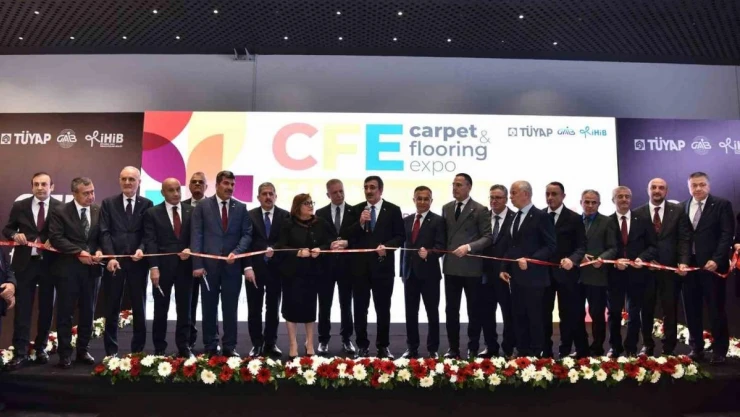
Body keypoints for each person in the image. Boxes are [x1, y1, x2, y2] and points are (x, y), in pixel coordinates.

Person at [2, 172, 61, 369]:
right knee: (22, 310)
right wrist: (15, 235)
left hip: (50, 265)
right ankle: (20, 353)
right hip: (25, 265)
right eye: (36, 184)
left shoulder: (60, 207)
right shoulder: (20, 206)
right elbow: (7, 229)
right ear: (32, 186)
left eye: (44, 184)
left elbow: (66, 233)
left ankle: (41, 348)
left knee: (46, 308)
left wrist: (56, 240)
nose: (40, 187)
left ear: (52, 187)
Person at [190, 170, 252, 357]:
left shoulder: (241, 208)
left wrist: (237, 252)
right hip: (208, 267)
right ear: (217, 185)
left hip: (232, 267)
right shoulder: (202, 206)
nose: (230, 187)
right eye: (226, 183)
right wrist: (197, 264)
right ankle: (210, 344)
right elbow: (196, 235)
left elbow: (247, 234)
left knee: (230, 308)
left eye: (232, 184)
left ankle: (230, 346)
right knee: (209, 307)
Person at [48, 177, 104, 369]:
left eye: (92, 192)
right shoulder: (60, 211)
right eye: (86, 193)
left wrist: (100, 251)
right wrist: (78, 252)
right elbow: (56, 238)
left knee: (88, 312)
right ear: (74, 194)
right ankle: (65, 354)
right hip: (68, 270)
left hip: (92, 271)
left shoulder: (98, 210)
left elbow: (103, 236)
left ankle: (83, 350)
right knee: (65, 313)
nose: (91, 196)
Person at [348, 176, 405, 358]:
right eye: (366, 187)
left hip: (383, 268)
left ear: (380, 190)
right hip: (360, 269)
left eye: (372, 187)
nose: (368, 191)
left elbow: (400, 236)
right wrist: (360, 223)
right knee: (360, 308)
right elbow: (348, 236)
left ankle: (383, 346)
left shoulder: (393, 210)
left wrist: (387, 247)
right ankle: (362, 345)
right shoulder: (356, 209)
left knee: (383, 308)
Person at [271, 193, 334, 359]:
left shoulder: (320, 223)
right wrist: (297, 252)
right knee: (291, 308)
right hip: (292, 273)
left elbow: (330, 242)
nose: (311, 205)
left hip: (312, 272)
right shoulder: (288, 223)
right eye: (306, 203)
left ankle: (309, 342)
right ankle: (293, 343)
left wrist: (321, 249)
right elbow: (279, 247)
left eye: (311, 202)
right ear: (298, 206)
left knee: (310, 308)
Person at [681, 172, 734, 364]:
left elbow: (727, 235)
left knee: (715, 308)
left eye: (702, 184)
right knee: (691, 309)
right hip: (690, 267)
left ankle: (720, 350)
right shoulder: (682, 207)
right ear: (689, 187)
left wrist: (717, 259)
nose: (698, 188)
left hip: (713, 267)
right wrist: (682, 261)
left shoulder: (721, 205)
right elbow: (682, 237)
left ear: (708, 186)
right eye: (694, 185)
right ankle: (696, 348)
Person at [499, 181, 556, 358]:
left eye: (513, 192)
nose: (510, 197)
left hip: (535, 278)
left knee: (535, 316)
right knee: (519, 315)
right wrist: (504, 267)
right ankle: (522, 352)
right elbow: (511, 246)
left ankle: (536, 354)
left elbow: (550, 246)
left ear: (525, 194)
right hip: (516, 277)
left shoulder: (541, 216)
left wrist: (531, 260)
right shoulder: (514, 217)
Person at [100, 166, 153, 357]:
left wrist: (142, 249)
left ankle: (137, 352)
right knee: (112, 307)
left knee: (139, 307)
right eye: (124, 179)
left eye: (132, 179)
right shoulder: (108, 203)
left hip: (138, 263)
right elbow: (104, 232)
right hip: (115, 263)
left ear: (139, 182)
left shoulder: (147, 204)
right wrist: (111, 257)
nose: (128, 182)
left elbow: (148, 233)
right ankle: (110, 352)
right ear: (119, 180)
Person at [634, 178, 690, 356]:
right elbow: (637, 242)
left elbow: (684, 238)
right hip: (646, 271)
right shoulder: (638, 213)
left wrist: (683, 261)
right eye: (653, 187)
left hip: (670, 270)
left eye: (661, 188)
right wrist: (647, 260)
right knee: (646, 309)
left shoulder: (678, 210)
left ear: (667, 191)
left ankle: (669, 347)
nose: (657, 190)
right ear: (647, 189)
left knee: (670, 309)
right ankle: (647, 345)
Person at [441, 173, 492, 358]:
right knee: (451, 310)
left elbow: (488, 237)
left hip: (472, 268)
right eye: (453, 184)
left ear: (469, 187)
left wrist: (469, 247)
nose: (455, 188)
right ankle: (453, 348)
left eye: (459, 185)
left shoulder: (479, 209)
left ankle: (473, 347)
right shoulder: (446, 208)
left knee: (474, 310)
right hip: (451, 267)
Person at [143, 178, 194, 358]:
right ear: (162, 193)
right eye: (171, 190)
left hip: (186, 268)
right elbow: (150, 241)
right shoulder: (152, 213)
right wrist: (153, 267)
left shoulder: (191, 211)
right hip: (162, 269)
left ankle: (184, 346)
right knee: (160, 308)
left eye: (178, 189)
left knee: (185, 309)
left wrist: (191, 249)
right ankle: (159, 347)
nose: (175, 193)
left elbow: (197, 236)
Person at [607, 186, 657, 357]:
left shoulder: (643, 220)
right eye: (620, 196)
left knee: (634, 313)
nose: (624, 199)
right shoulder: (607, 222)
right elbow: (605, 248)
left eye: (627, 196)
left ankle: (631, 348)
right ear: (613, 200)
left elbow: (653, 246)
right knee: (614, 312)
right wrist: (615, 263)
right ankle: (615, 347)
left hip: (637, 274)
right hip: (614, 274)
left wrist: (642, 258)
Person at [243, 182, 289, 358]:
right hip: (254, 271)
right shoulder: (249, 216)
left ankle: (270, 343)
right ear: (258, 197)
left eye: (271, 194)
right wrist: (247, 267)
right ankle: (256, 344)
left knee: (273, 309)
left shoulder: (285, 215)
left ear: (276, 196)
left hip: (276, 270)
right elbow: (245, 243)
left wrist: (275, 250)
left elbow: (286, 242)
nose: (268, 197)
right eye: (264, 194)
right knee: (254, 309)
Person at [400, 186, 445, 359]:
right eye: (419, 198)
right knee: (410, 313)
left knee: (432, 313)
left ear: (431, 201)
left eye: (426, 199)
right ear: (414, 200)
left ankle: (433, 349)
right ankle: (412, 347)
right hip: (409, 274)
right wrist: (402, 271)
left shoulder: (438, 221)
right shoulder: (406, 220)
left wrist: (430, 254)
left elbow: (441, 247)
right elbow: (404, 248)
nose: (422, 202)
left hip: (430, 275)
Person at [543, 182, 587, 358]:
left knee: (568, 314)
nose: (550, 197)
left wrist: (572, 259)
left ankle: (565, 350)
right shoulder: (539, 216)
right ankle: (545, 350)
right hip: (543, 275)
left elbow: (581, 246)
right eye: (547, 194)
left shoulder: (574, 218)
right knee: (543, 313)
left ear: (563, 196)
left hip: (567, 274)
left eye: (554, 194)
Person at [315, 179, 357, 356]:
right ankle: (323, 340)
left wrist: (348, 243)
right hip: (326, 266)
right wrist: (328, 246)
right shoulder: (320, 213)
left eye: (341, 191)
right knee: (324, 305)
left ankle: (347, 339)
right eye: (335, 192)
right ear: (328, 195)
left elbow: (360, 237)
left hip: (348, 266)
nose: (339, 195)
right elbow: (317, 239)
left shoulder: (354, 211)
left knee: (346, 304)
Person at [479, 184, 516, 358]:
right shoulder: (483, 217)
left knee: (509, 313)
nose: (494, 201)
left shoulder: (515, 218)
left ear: (506, 199)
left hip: (507, 274)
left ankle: (509, 348)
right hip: (485, 274)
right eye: (492, 197)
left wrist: (505, 267)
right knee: (486, 312)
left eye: (498, 198)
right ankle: (490, 347)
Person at [578, 190, 617, 356]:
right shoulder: (574, 221)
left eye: (594, 202)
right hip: (575, 276)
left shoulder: (607, 222)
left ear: (599, 204)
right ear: (581, 203)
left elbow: (613, 248)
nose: (590, 205)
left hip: (597, 276)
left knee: (597, 314)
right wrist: (578, 257)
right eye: (587, 202)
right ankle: (581, 348)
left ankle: (597, 348)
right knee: (576, 314)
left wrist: (601, 259)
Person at [183, 171, 208, 351]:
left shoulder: (212, 206)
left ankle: (211, 341)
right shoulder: (181, 206)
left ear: (207, 186)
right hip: (187, 265)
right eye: (194, 182)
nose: (197, 184)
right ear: (189, 186)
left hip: (210, 263)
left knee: (210, 304)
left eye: (201, 182)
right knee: (189, 304)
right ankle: (188, 340)